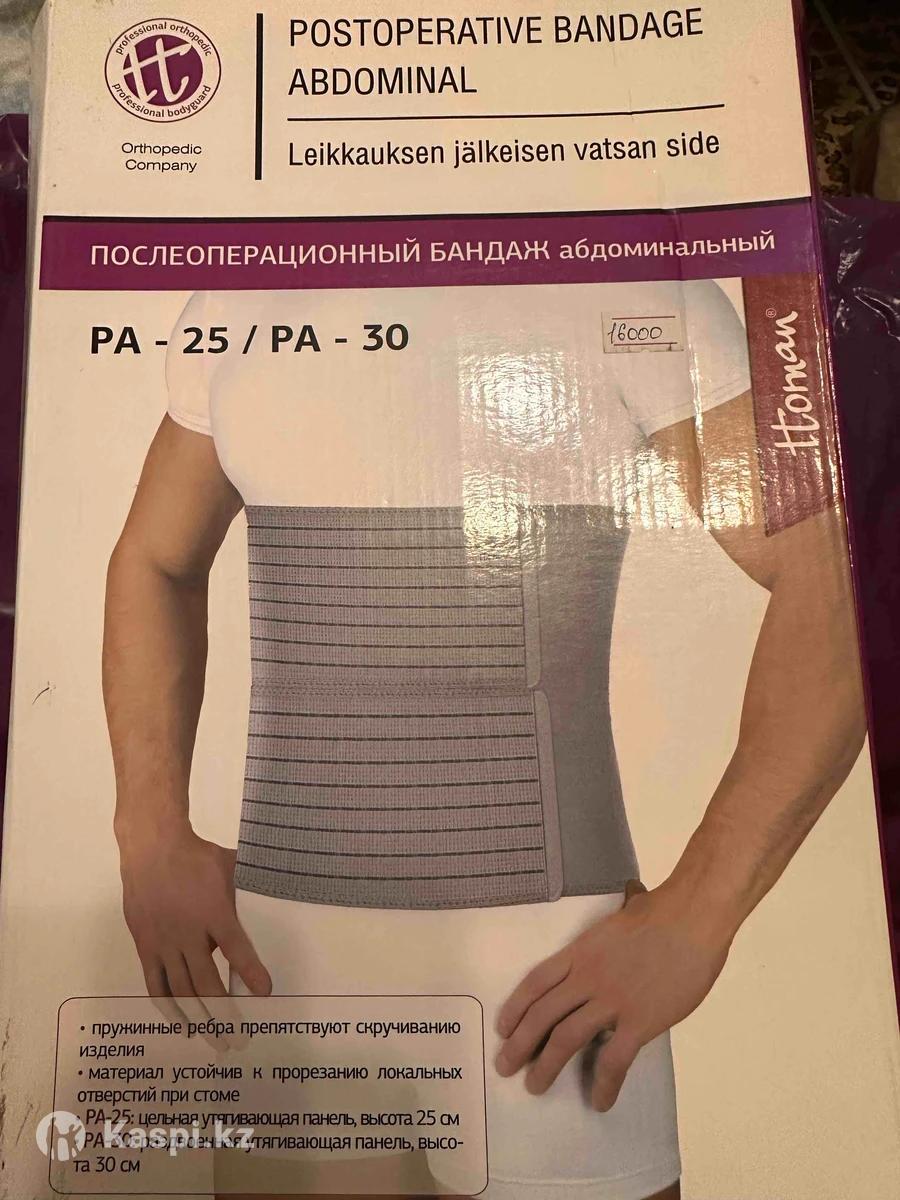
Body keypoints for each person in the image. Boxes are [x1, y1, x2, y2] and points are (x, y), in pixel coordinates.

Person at [103, 280, 865, 1200]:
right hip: (289, 961)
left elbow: (836, 583)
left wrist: (701, 914)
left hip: (549, 970)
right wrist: (148, 830)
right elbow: (156, 559)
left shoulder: (634, 279)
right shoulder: (240, 297)